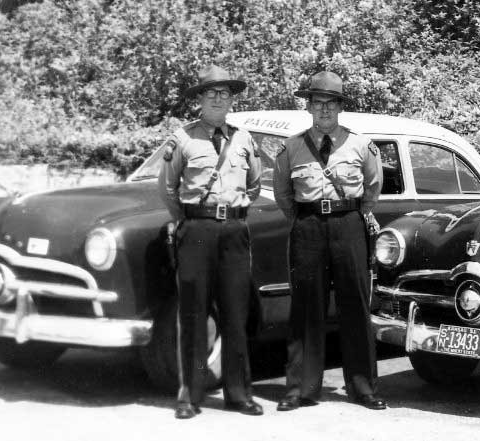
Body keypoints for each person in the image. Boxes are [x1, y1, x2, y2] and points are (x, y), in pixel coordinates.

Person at [273, 71, 387, 410]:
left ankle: (363, 387)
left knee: (355, 303)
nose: (324, 110)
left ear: (340, 107)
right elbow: (282, 193)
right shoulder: (292, 147)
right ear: (308, 107)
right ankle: (300, 389)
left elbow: (373, 186)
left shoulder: (360, 144)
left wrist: (355, 213)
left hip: (348, 223)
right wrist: (303, 219)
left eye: (331, 104)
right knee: (307, 307)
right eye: (317, 103)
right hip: (308, 226)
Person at [158, 65, 265, 419]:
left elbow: (254, 183)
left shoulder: (244, 138)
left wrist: (231, 214)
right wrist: (189, 220)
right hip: (197, 232)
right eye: (211, 93)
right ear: (200, 100)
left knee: (236, 312)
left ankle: (238, 394)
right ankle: (190, 395)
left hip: (234, 231)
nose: (218, 98)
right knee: (193, 315)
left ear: (231, 100)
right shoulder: (183, 139)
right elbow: (168, 189)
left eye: (225, 93)